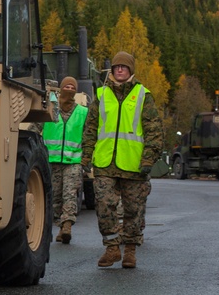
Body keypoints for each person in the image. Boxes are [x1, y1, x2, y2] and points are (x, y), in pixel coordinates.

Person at [80, 51, 163, 269]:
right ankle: (112, 248)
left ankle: (131, 251)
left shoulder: (144, 95)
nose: (119, 70)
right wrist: (86, 156)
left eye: (124, 67)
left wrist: (148, 160)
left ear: (131, 70)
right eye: (116, 67)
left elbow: (154, 131)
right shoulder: (101, 95)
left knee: (134, 210)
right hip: (105, 163)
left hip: (134, 165)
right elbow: (90, 128)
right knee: (104, 206)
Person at [42, 76, 87, 244]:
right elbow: (36, 129)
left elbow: (89, 136)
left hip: (74, 161)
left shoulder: (83, 112)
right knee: (55, 197)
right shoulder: (50, 109)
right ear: (61, 89)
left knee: (70, 193)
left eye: (72, 87)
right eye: (66, 86)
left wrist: (87, 158)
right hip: (50, 161)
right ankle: (60, 226)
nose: (69, 89)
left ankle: (67, 225)